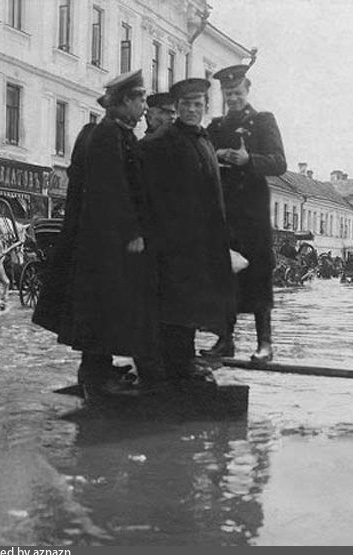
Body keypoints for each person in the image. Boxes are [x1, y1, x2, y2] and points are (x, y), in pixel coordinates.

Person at [33, 69, 165, 397]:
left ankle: (98, 367)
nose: (145, 108)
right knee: (104, 306)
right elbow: (114, 190)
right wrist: (133, 232)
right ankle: (95, 374)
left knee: (102, 307)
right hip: (107, 241)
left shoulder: (111, 132)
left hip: (101, 239)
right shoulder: (108, 136)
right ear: (124, 102)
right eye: (141, 100)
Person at [141, 78, 236, 384]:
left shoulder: (204, 140)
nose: (192, 110)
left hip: (202, 242)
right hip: (174, 244)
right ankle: (177, 369)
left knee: (192, 305)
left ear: (205, 107)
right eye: (186, 105)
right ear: (177, 108)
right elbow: (150, 194)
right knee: (174, 306)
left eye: (198, 105)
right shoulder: (163, 141)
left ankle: (184, 361)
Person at [203, 64, 287, 363]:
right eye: (228, 94)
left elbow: (279, 163)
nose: (233, 98)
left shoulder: (263, 121)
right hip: (224, 210)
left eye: (237, 92)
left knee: (258, 274)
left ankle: (265, 344)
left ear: (247, 90)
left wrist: (248, 159)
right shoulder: (214, 127)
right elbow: (202, 160)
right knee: (224, 273)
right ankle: (225, 340)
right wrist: (217, 155)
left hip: (252, 211)